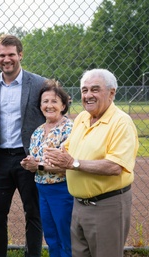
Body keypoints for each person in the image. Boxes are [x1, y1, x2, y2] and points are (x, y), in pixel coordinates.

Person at [44, 69, 139, 257]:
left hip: (107, 205)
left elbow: (115, 166)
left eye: (95, 89)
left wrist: (73, 163)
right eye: (84, 90)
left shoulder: (121, 123)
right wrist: (53, 157)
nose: (88, 95)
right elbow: (68, 152)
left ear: (112, 93)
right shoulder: (82, 118)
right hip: (79, 206)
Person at [0, 34, 46, 257]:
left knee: (33, 213)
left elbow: (54, 115)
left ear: (20, 55)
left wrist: (42, 155)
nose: (6, 59)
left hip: (28, 159)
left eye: (11, 55)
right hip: (0, 159)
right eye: (1, 55)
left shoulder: (38, 83)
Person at [20, 79, 73, 257]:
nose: (49, 106)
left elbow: (67, 166)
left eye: (54, 101)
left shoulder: (69, 129)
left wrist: (38, 165)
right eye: (45, 101)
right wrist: (29, 164)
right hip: (42, 189)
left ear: (63, 105)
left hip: (62, 190)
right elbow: (36, 162)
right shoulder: (38, 131)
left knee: (65, 236)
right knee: (51, 237)